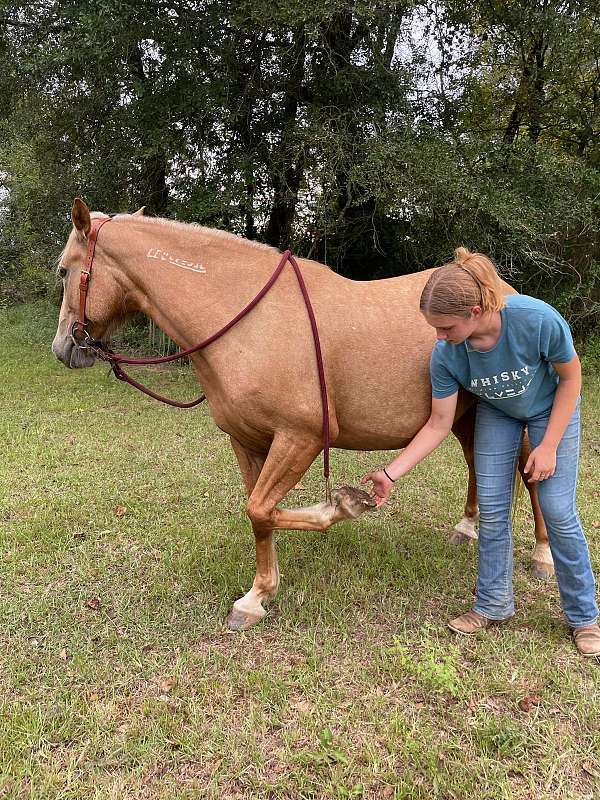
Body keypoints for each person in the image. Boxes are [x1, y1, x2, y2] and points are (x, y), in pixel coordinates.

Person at [361, 247, 600, 657]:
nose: (438, 336)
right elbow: (439, 423)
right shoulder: (447, 355)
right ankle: (493, 604)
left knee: (558, 510)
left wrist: (548, 446)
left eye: (445, 327)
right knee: (491, 507)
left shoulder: (536, 319)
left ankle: (585, 617)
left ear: (475, 311)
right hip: (499, 412)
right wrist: (390, 472)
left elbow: (572, 379)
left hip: (551, 410)